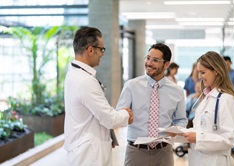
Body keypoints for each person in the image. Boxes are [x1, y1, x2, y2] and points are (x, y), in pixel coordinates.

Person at [63, 27, 134, 166]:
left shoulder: (73, 74)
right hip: (89, 156)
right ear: (90, 50)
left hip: (82, 149)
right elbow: (109, 119)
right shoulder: (85, 81)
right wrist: (126, 114)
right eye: (101, 49)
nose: (102, 54)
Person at [116, 43, 188, 166]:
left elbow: (181, 120)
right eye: (148, 58)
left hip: (164, 152)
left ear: (166, 64)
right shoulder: (131, 86)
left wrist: (177, 130)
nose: (149, 63)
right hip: (136, 151)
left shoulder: (177, 91)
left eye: (155, 60)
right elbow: (119, 115)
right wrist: (124, 117)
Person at [182, 51, 234, 166]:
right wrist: (183, 133)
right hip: (198, 159)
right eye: (198, 72)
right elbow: (203, 128)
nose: (199, 77)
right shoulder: (206, 97)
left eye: (203, 72)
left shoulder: (226, 99)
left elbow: (229, 139)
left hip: (215, 161)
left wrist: (198, 138)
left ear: (216, 71)